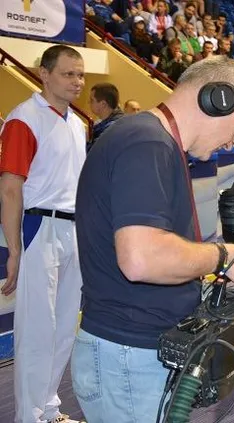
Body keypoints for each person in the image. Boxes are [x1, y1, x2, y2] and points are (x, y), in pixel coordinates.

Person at [71, 56, 234, 421]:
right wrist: (223, 256)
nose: (232, 143)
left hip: (134, 356)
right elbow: (141, 259)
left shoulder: (154, 142)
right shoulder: (147, 143)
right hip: (129, 358)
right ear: (215, 100)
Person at [0, 44, 86, 423]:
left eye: (80, 75)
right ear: (44, 74)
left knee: (65, 327)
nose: (77, 82)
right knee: (37, 330)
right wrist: (14, 250)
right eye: (68, 74)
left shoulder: (78, 124)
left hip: (74, 230)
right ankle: (29, 416)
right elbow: (10, 189)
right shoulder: (24, 118)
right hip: (39, 228)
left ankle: (49, 409)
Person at [88, 82, 124, 150]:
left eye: (92, 100)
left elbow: (93, 152)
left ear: (103, 104)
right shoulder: (119, 121)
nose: (89, 102)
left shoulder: (110, 129)